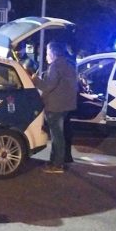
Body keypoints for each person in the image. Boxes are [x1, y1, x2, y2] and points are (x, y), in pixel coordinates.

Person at [32, 41, 78, 174]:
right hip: (67, 105)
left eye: (47, 53)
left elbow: (47, 86)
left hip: (55, 106)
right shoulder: (68, 64)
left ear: (52, 53)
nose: (46, 56)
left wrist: (35, 80)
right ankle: (58, 160)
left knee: (57, 136)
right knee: (60, 134)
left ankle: (57, 164)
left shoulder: (55, 66)